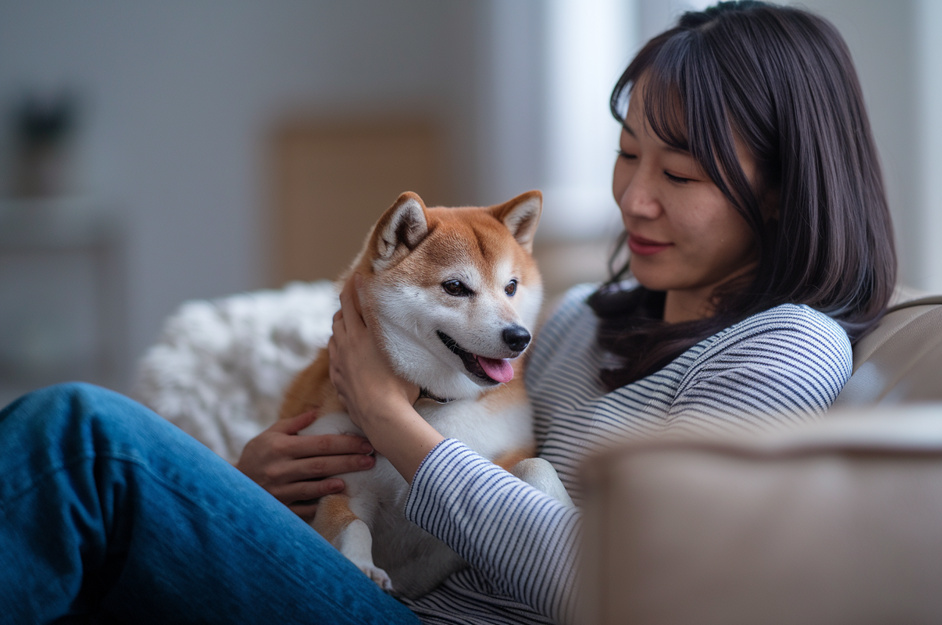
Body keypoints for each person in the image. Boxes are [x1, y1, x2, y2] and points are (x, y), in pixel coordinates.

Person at [0, 2, 896, 623]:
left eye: (683, 174)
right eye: (629, 154)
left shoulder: (786, 345)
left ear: (781, 192)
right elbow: (442, 455)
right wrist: (267, 483)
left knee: (82, 439)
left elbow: (625, 587)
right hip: (374, 580)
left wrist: (391, 421)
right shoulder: (584, 315)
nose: (637, 199)